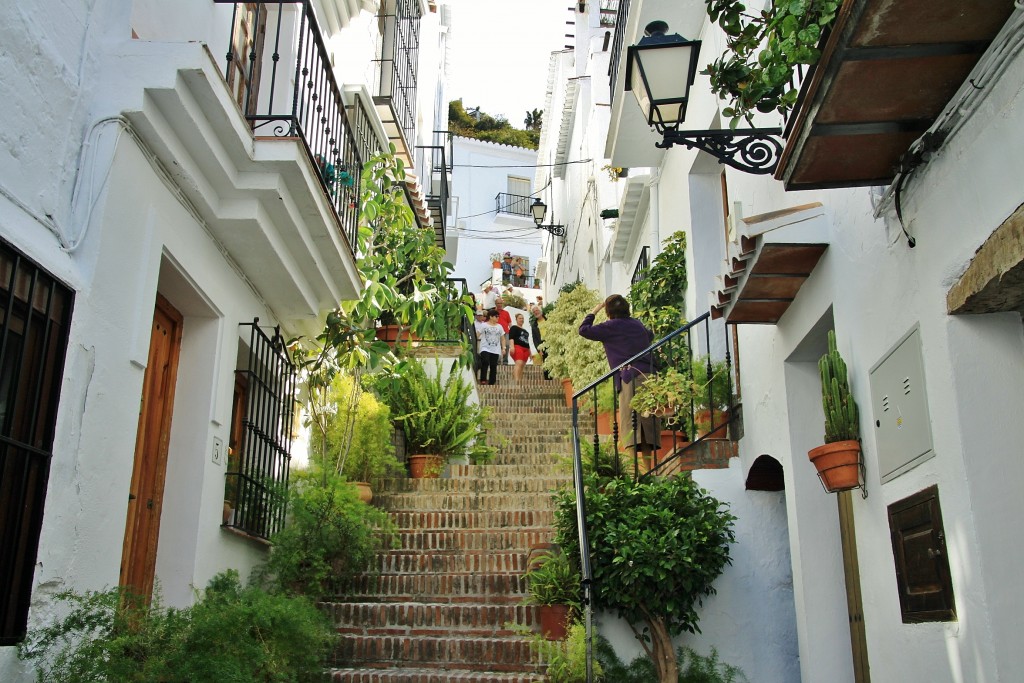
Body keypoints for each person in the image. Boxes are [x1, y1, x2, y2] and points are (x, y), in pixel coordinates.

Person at [578, 294, 660, 459]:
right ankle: (648, 471)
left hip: (630, 377)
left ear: (609, 312)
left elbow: (583, 329)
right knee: (647, 426)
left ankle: (634, 474)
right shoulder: (636, 324)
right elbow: (649, 336)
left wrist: (596, 309)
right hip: (649, 376)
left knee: (630, 427)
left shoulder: (610, 327)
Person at [477, 309, 506, 385]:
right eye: (496, 316)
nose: (498, 318)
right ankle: (483, 379)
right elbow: (477, 334)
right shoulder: (483, 325)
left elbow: (502, 338)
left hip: (495, 349)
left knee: (493, 365)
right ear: (491, 317)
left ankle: (492, 382)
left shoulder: (499, 326)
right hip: (485, 347)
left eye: (498, 316)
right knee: (485, 361)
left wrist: (504, 348)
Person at [508, 313, 532, 383]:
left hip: (526, 349)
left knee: (522, 366)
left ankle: (520, 381)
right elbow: (511, 338)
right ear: (516, 319)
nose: (521, 320)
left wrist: (530, 353)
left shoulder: (526, 331)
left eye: (522, 318)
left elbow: (527, 342)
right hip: (517, 347)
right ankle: (516, 381)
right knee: (519, 363)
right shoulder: (514, 327)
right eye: (520, 318)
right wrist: (512, 347)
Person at [530, 305, 550, 380]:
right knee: (545, 362)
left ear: (540, 310)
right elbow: (535, 339)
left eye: (537, 310)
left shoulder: (548, 319)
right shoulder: (534, 325)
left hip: (550, 341)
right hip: (541, 344)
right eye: (534, 312)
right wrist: (539, 350)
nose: (536, 312)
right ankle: (548, 380)